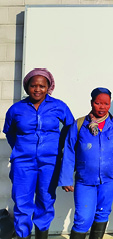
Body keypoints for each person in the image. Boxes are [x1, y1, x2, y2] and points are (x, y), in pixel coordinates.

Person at [3, 68, 74, 239]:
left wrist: (59, 147)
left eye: (42, 86)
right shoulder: (16, 109)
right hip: (23, 163)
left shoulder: (59, 106)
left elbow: (70, 128)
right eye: (33, 86)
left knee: (45, 201)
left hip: (49, 163)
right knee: (22, 203)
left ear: (49, 87)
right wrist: (22, 149)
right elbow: (10, 133)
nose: (37, 89)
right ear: (27, 87)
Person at [58, 88, 113, 239]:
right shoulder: (79, 125)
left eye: (106, 103)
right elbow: (69, 152)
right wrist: (66, 179)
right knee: (83, 218)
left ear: (110, 104)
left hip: (109, 179)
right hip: (85, 180)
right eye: (98, 103)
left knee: (103, 213)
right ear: (91, 102)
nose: (102, 107)